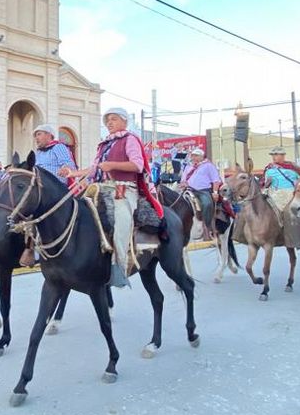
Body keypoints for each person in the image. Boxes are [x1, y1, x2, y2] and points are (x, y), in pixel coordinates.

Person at [73, 107, 163, 288]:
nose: (109, 123)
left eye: (113, 119)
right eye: (107, 120)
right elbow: (94, 169)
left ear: (124, 121)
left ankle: (119, 267)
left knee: (120, 222)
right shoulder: (104, 144)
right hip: (100, 187)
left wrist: (111, 165)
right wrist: (73, 173)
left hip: (123, 189)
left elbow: (138, 165)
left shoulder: (130, 139)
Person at [179, 147, 221, 241]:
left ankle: (207, 227)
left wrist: (215, 192)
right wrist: (183, 184)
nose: (193, 157)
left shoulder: (208, 166)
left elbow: (216, 180)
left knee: (207, 204)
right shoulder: (188, 167)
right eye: (193, 155)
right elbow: (183, 180)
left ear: (202, 156)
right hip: (189, 190)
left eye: (196, 155)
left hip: (203, 190)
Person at [262, 147, 300, 211]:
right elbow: (264, 183)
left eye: (276, 155)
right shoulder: (269, 168)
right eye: (272, 155)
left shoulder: (292, 166)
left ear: (283, 155)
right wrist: (266, 185)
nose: (273, 157)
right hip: (276, 194)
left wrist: (296, 166)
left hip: (292, 193)